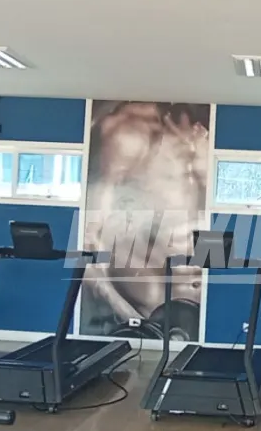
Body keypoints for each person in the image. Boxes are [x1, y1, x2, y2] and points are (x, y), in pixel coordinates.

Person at [81, 102, 209, 335]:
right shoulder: (129, 136)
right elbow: (88, 243)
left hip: (194, 294)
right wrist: (129, 315)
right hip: (151, 300)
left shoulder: (200, 139)